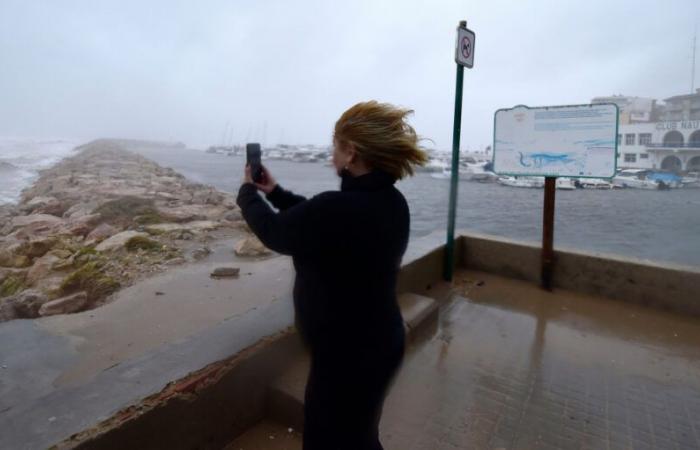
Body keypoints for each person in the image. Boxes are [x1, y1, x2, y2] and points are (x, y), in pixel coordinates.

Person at [237, 100, 428, 449]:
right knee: (359, 438)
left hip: (345, 359)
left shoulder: (337, 209)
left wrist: (247, 193)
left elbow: (277, 232)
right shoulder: (391, 202)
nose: (331, 157)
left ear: (351, 152)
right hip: (380, 344)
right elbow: (320, 224)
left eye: (335, 148)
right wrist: (276, 193)